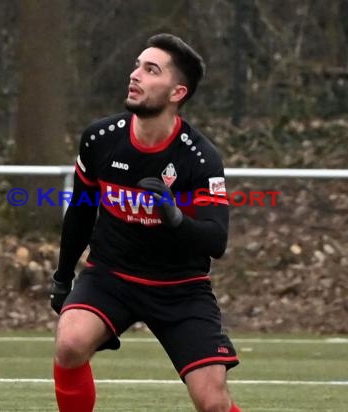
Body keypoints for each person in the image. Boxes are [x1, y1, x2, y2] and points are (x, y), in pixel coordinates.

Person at [50, 33, 242, 412]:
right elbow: (81, 212)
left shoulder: (200, 158)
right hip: (110, 277)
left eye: (151, 70)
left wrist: (174, 218)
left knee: (212, 401)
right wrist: (62, 277)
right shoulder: (100, 139)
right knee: (69, 343)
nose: (135, 75)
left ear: (177, 92)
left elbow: (216, 240)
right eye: (137, 65)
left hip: (180, 289)